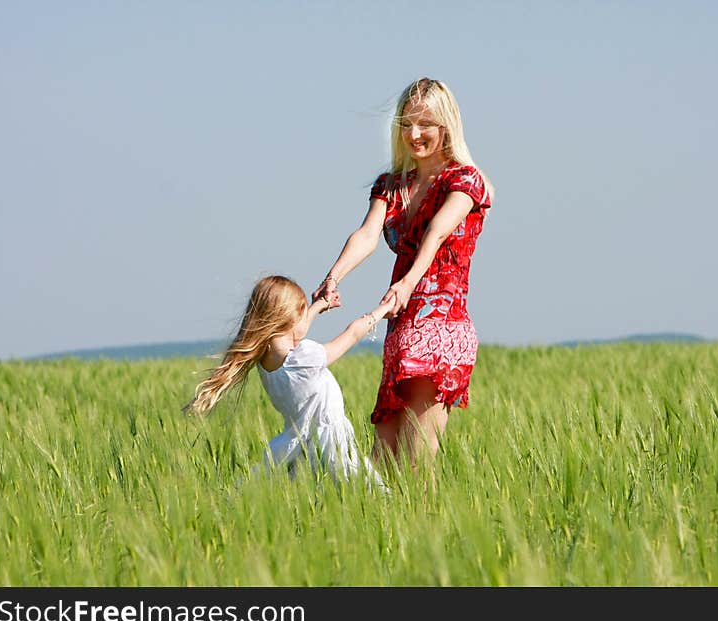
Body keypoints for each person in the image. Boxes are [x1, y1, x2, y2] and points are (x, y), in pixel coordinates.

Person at [312, 77, 494, 473]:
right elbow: (367, 234)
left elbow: (439, 230)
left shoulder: (464, 179)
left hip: (440, 329)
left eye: (425, 123)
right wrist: (334, 276)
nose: (414, 134)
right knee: (381, 468)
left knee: (417, 461)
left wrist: (409, 282)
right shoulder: (392, 185)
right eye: (406, 123)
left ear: (446, 125)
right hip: (399, 326)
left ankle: (428, 534)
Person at [184, 275, 391, 490]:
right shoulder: (304, 358)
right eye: (302, 314)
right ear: (288, 319)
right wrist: (383, 309)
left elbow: (294, 332)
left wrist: (317, 307)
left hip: (297, 447)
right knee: (372, 494)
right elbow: (352, 334)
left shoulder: (265, 361)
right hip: (331, 446)